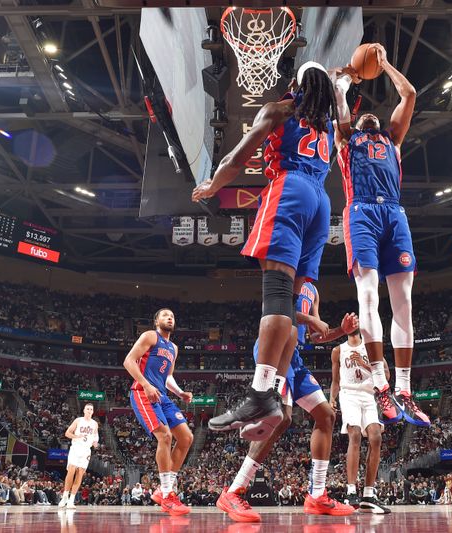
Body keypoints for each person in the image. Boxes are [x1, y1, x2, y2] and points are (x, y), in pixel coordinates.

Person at [192, 62, 339, 437]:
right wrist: (345, 77)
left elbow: (236, 159)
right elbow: (339, 97)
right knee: (289, 303)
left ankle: (260, 393)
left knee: (275, 294)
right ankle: (272, 391)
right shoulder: (330, 125)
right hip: (322, 203)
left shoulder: (280, 110)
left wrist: (212, 185)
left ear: (296, 84)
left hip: (290, 190)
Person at [333, 43, 429, 427]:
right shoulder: (346, 141)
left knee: (403, 301)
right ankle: (379, 383)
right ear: (355, 125)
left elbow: (409, 94)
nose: (370, 115)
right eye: (363, 116)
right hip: (361, 214)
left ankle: (404, 389)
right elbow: (338, 104)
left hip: (394, 213)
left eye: (375, 114)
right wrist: (343, 83)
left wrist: (385, 64)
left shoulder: (393, 139)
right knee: (368, 296)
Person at [217, 283, 357, 522]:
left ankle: (317, 495)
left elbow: (317, 335)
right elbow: (274, 309)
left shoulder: (313, 290)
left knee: (326, 415)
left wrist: (340, 331)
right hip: (274, 347)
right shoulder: (284, 274)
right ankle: (234, 491)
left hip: (295, 356)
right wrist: (311, 321)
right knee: (279, 417)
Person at [124, 308, 194, 516]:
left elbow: (168, 377)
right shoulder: (149, 336)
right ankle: (167, 494)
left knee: (186, 438)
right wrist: (145, 384)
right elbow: (128, 361)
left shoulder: (173, 348)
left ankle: (162, 489)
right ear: (156, 321)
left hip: (162, 395)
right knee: (165, 436)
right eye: (165, 315)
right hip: (142, 392)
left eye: (172, 315)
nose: (169, 317)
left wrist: (180, 393)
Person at [330, 329, 390, 513]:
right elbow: (335, 380)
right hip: (349, 394)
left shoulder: (371, 347)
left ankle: (368, 495)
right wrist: (332, 399)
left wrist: (369, 365)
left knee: (376, 438)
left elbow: (386, 374)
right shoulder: (338, 350)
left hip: (368, 394)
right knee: (354, 434)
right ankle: (351, 492)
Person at [58, 403, 100, 509]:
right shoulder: (78, 420)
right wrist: (77, 436)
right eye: (87, 409)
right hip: (76, 448)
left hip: (86, 451)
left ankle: (71, 500)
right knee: (71, 471)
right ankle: (64, 497)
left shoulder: (95, 424)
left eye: (91, 409)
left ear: (93, 411)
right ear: (84, 410)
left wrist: (95, 443)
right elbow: (67, 433)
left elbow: (95, 437)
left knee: (80, 474)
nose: (89, 410)